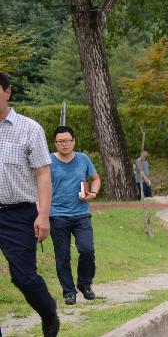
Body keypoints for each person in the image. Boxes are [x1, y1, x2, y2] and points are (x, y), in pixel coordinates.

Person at [0, 71, 60, 337]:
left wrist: (43, 215)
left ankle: (48, 312)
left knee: (22, 276)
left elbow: (43, 174)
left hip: (18, 212)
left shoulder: (29, 128)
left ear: (7, 92)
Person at [49, 126, 101, 305]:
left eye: (67, 141)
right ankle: (69, 292)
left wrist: (93, 193)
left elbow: (95, 178)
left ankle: (84, 284)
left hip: (81, 214)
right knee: (62, 256)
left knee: (87, 250)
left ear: (74, 141)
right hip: (57, 215)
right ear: (55, 143)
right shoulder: (48, 161)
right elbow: (39, 185)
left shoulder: (83, 159)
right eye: (60, 141)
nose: (64, 144)